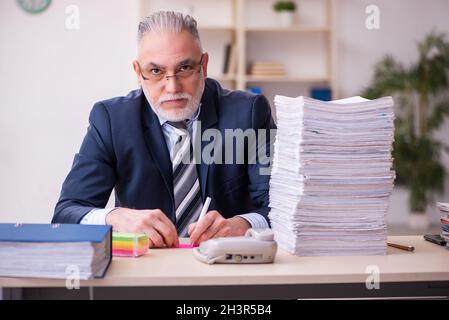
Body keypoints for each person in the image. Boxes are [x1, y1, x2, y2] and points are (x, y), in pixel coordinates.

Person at [53, 11, 275, 248]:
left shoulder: (250, 113)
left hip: (231, 268)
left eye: (185, 67)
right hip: (146, 271)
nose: (172, 86)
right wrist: (115, 217)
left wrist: (243, 224)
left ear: (204, 65)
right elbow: (67, 212)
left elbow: (283, 207)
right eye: (156, 71)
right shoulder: (111, 120)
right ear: (139, 73)